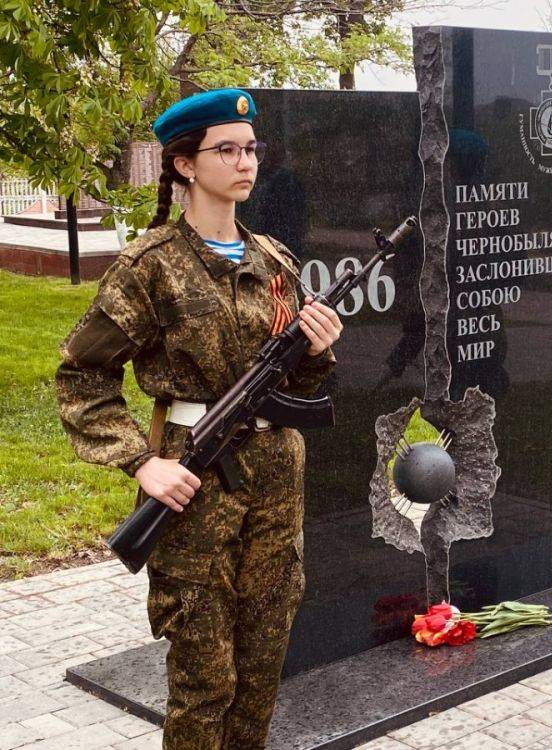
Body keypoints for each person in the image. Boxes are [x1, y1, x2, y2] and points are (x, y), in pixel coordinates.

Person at [55, 88, 342, 749]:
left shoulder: (275, 262)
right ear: (185, 164)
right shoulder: (150, 267)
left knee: (263, 669)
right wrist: (141, 461)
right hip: (196, 484)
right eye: (228, 150)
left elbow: (298, 380)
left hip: (275, 486)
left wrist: (318, 352)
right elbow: (81, 375)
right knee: (204, 681)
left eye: (251, 150)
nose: (245, 163)